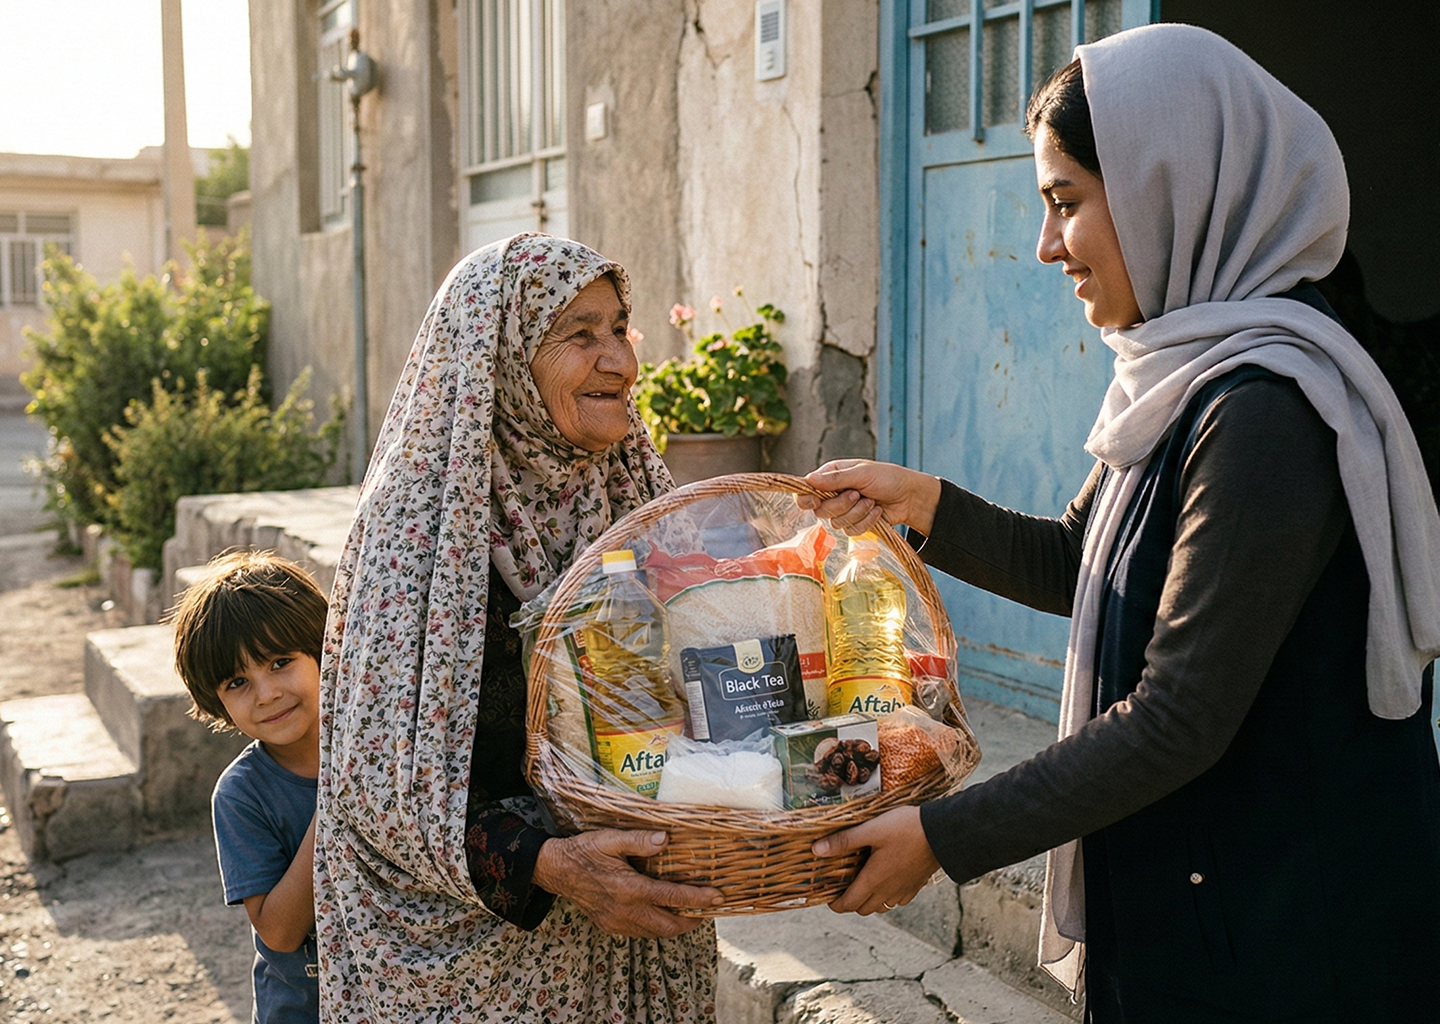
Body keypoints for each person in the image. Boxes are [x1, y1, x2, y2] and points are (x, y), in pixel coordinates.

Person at [800, 24, 1440, 1024]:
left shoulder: (1266, 409)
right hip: (1200, 904)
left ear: (1169, 187)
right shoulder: (1183, 380)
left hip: (1281, 941)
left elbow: (1178, 714)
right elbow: (1079, 562)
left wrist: (942, 837)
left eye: (1066, 204)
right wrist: (920, 505)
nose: (1047, 246)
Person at [315, 234, 721, 1023]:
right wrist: (549, 864)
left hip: (626, 926)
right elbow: (374, 786)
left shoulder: (633, 493)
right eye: (579, 334)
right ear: (497, 357)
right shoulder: (419, 531)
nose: (621, 362)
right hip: (466, 958)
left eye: (619, 329)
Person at [172, 550, 328, 1024]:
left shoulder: (379, 747)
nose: (266, 694)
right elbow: (279, 933)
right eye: (238, 681)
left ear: (325, 651)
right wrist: (336, 806)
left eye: (281, 661)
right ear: (216, 703)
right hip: (304, 1010)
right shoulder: (242, 795)